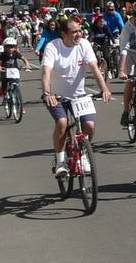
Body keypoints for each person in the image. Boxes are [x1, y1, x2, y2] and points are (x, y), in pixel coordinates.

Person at [42, 16, 113, 176]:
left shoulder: (84, 45)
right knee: (62, 123)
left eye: (80, 31)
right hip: (56, 96)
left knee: (89, 126)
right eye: (74, 32)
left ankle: (83, 154)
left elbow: (95, 69)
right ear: (64, 34)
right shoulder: (53, 47)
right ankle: (60, 161)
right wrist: (47, 93)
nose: (79, 34)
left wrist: (105, 89)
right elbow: (46, 72)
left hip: (79, 96)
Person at [0, 37, 30, 110]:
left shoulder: (16, 53)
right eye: (8, 47)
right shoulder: (3, 54)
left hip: (14, 72)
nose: (10, 49)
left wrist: (27, 65)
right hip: (5, 71)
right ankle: (3, 93)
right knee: (4, 85)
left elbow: (23, 59)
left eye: (12, 47)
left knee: (16, 88)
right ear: (5, 47)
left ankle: (20, 106)